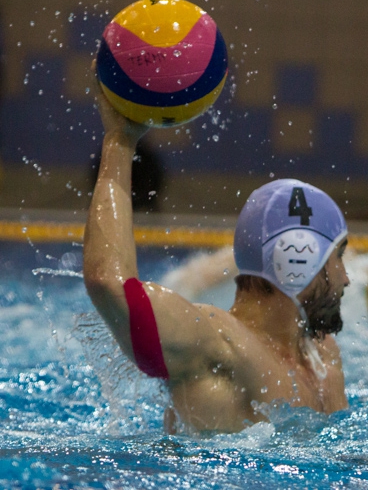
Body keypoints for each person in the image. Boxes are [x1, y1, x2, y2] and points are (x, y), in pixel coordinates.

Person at [83, 66, 350, 433]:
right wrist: (120, 142)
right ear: (298, 258)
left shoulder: (321, 355)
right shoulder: (214, 344)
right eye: (338, 259)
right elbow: (109, 284)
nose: (346, 278)